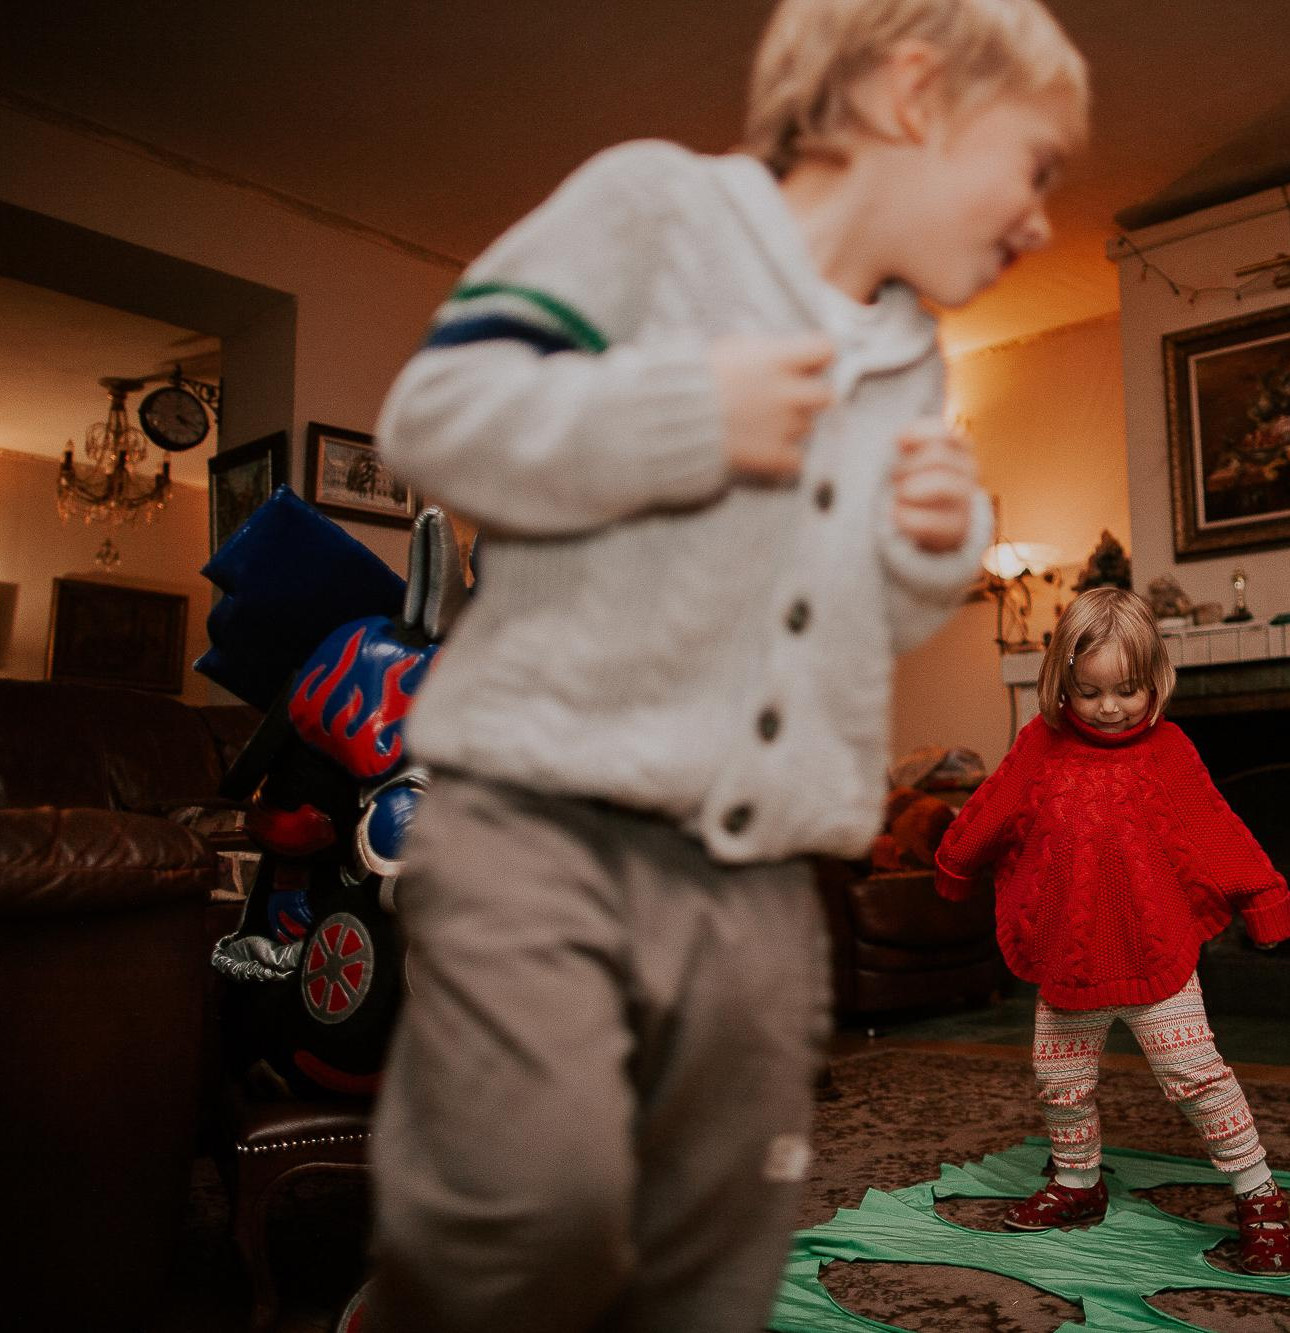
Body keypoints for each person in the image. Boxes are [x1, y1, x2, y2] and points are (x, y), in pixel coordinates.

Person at [366, 2, 1090, 1328]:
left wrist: (929, 553)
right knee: (534, 1205)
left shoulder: (913, 359)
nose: (1043, 217)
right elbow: (438, 417)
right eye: (1035, 164)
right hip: (543, 821)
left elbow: (838, 612)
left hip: (762, 884)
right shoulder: (658, 209)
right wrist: (686, 410)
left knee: (723, 1230)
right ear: (914, 94)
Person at [935, 587, 1290, 1273]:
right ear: (1061, 684)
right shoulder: (1039, 743)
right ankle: (1078, 1183)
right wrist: (955, 859)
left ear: (1155, 678)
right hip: (1068, 958)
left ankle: (1260, 1196)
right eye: (1090, 691)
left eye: (1127, 689)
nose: (1110, 707)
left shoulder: (1168, 749)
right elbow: (992, 807)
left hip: (1155, 950)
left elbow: (1216, 829)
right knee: (1059, 1079)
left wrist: (1265, 897)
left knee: (1196, 1075)